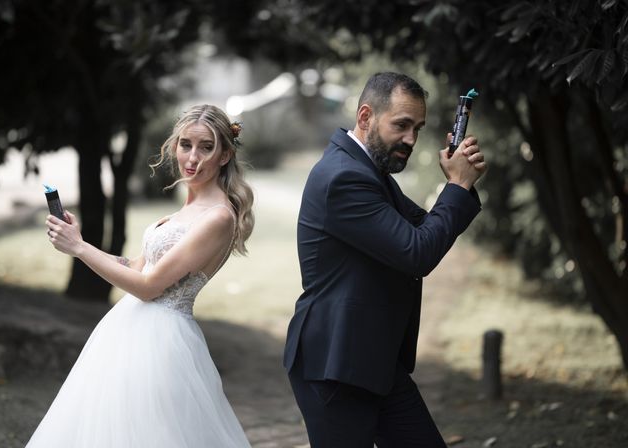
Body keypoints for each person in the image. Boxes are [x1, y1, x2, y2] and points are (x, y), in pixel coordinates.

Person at [27, 104, 254, 447]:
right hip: (126, 332)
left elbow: (148, 288)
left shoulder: (218, 217)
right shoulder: (189, 209)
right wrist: (82, 241)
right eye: (185, 144)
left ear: (224, 155)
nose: (193, 157)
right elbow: (136, 267)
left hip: (161, 342)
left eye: (206, 147)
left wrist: (78, 249)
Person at [283, 72, 487, 447]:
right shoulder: (344, 177)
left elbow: (425, 228)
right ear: (365, 117)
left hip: (373, 358)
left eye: (418, 128)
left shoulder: (364, 170)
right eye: (402, 125)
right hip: (336, 364)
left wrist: (460, 185)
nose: (411, 139)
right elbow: (417, 253)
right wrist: (456, 187)